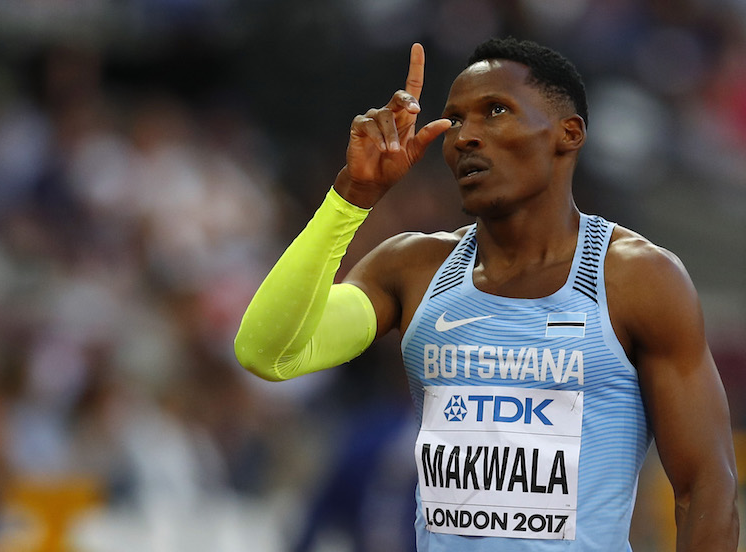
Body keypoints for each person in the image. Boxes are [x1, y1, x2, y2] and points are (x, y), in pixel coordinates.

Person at [234, 37, 739, 551]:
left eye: (495, 111)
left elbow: (706, 489)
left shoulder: (636, 279)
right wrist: (352, 196)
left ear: (568, 133)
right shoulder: (412, 268)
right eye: (454, 120)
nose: (465, 137)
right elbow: (266, 353)